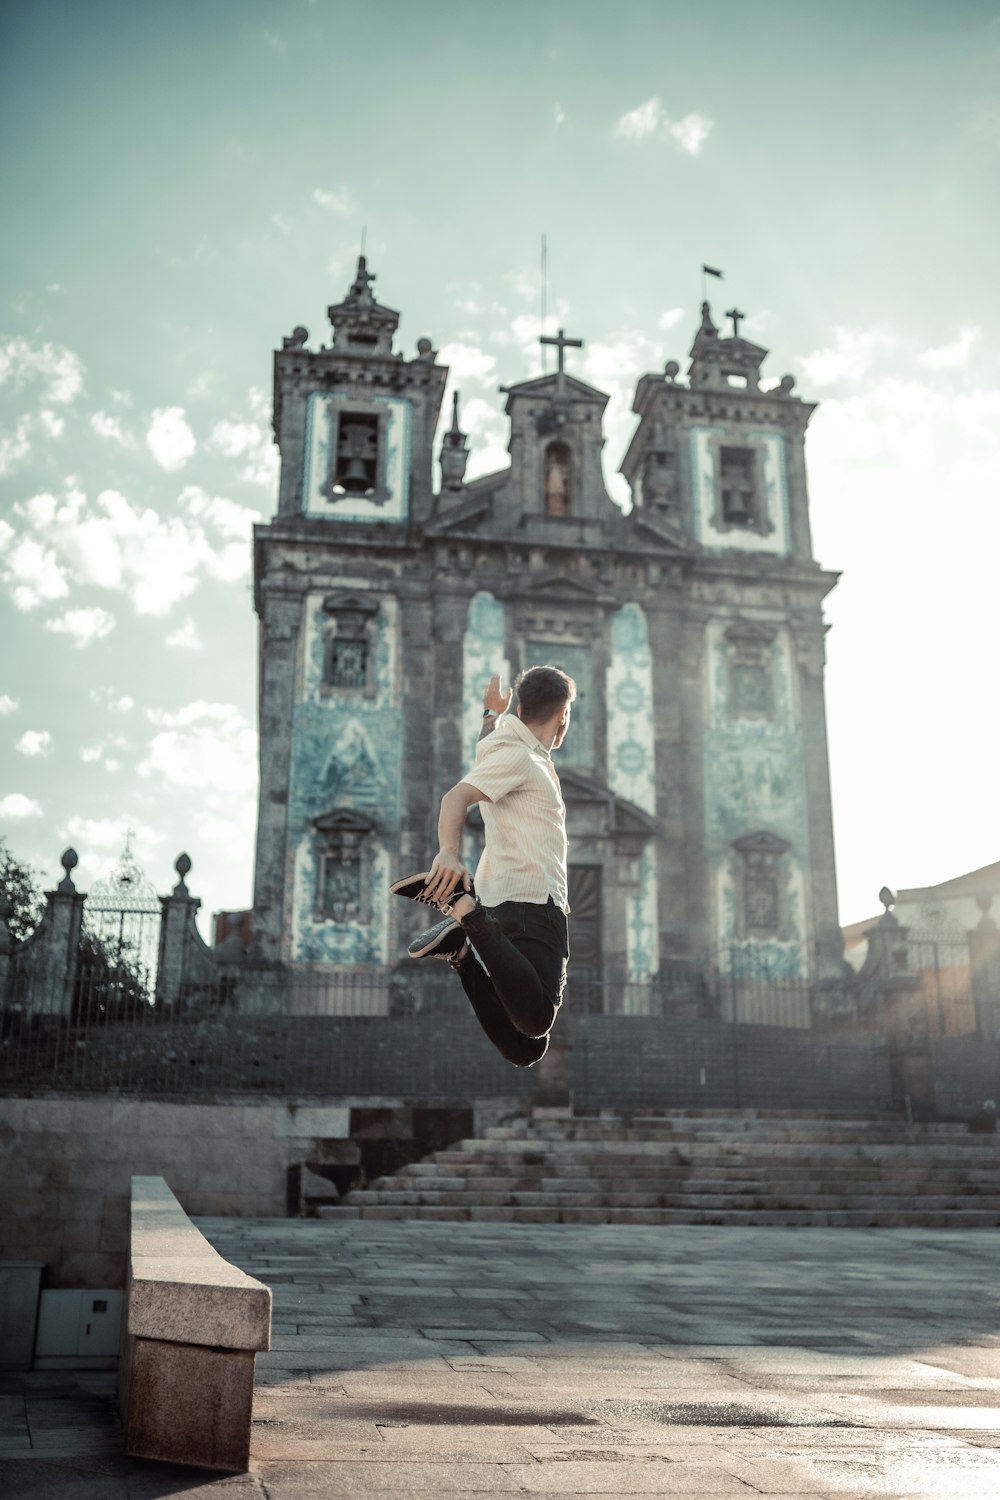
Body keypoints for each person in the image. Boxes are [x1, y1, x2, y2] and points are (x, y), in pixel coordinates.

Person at [391, 665, 575, 1067]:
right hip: (534, 905)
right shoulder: (523, 757)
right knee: (537, 1019)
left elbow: (488, 746)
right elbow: (455, 796)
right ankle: (466, 914)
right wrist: (448, 855)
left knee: (526, 1048)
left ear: (520, 705)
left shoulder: (505, 747)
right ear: (564, 714)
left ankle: (461, 952)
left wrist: (491, 714)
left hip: (510, 905)